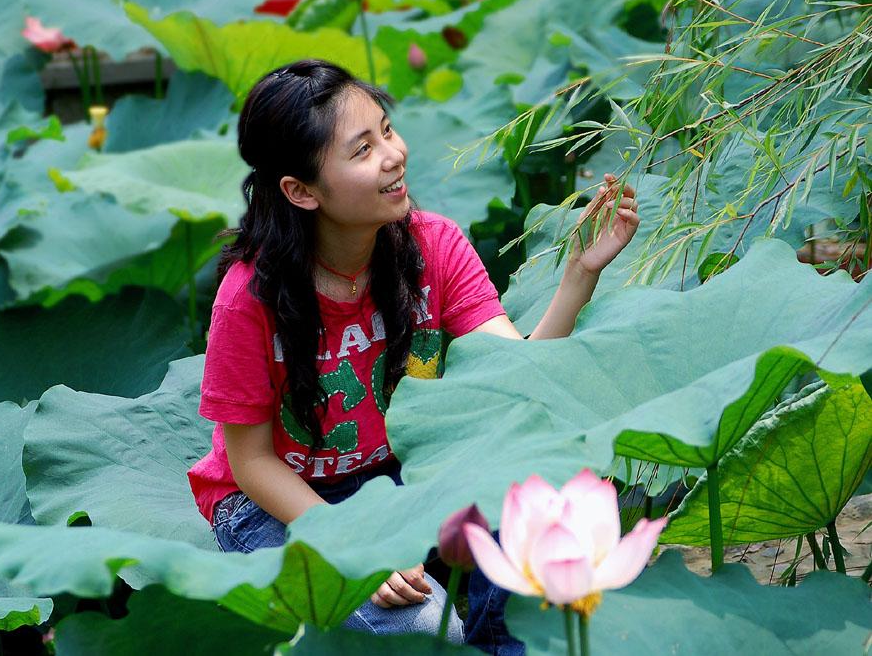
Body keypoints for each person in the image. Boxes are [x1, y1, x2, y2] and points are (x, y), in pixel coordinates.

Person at [186, 59, 639, 648]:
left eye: (386, 130)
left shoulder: (435, 246)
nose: (393, 155)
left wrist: (578, 274)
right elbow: (250, 463)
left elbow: (514, 378)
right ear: (300, 191)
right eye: (361, 150)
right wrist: (353, 540)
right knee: (430, 633)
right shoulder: (248, 300)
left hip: (401, 474)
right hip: (275, 502)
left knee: (539, 535)